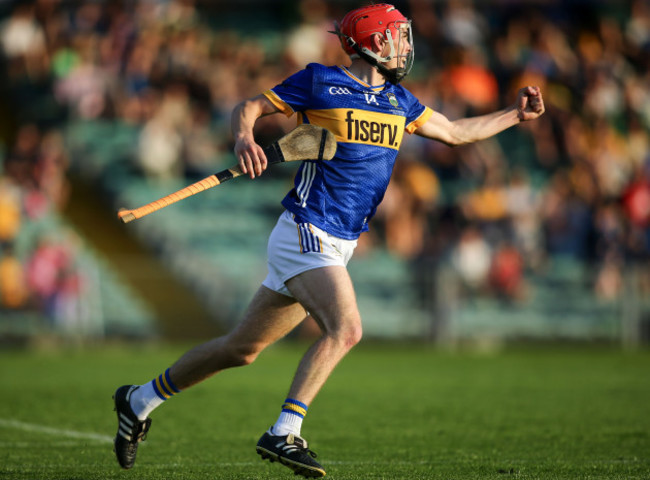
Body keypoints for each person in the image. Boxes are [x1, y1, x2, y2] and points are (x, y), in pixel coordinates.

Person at [112, 3, 545, 478]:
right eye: (398, 35)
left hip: (339, 243)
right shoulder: (321, 81)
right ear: (374, 42)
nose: (406, 45)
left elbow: (456, 132)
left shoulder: (402, 102)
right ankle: (284, 431)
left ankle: (139, 400)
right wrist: (244, 138)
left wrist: (514, 115)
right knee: (347, 329)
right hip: (305, 229)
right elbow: (250, 106)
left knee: (241, 349)